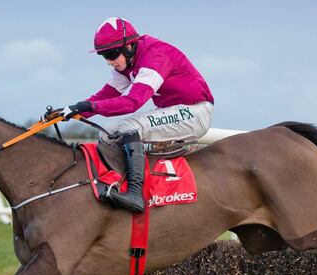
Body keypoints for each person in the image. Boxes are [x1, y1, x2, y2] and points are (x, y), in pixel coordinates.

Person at [53, 17, 214, 213]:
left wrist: (88, 106)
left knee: (129, 127)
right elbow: (107, 95)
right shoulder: (128, 62)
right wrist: (70, 110)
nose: (110, 62)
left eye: (112, 54)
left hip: (195, 112)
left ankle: (135, 194)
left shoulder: (155, 56)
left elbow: (132, 102)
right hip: (171, 111)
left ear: (129, 46)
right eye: (104, 56)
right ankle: (115, 183)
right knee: (107, 132)